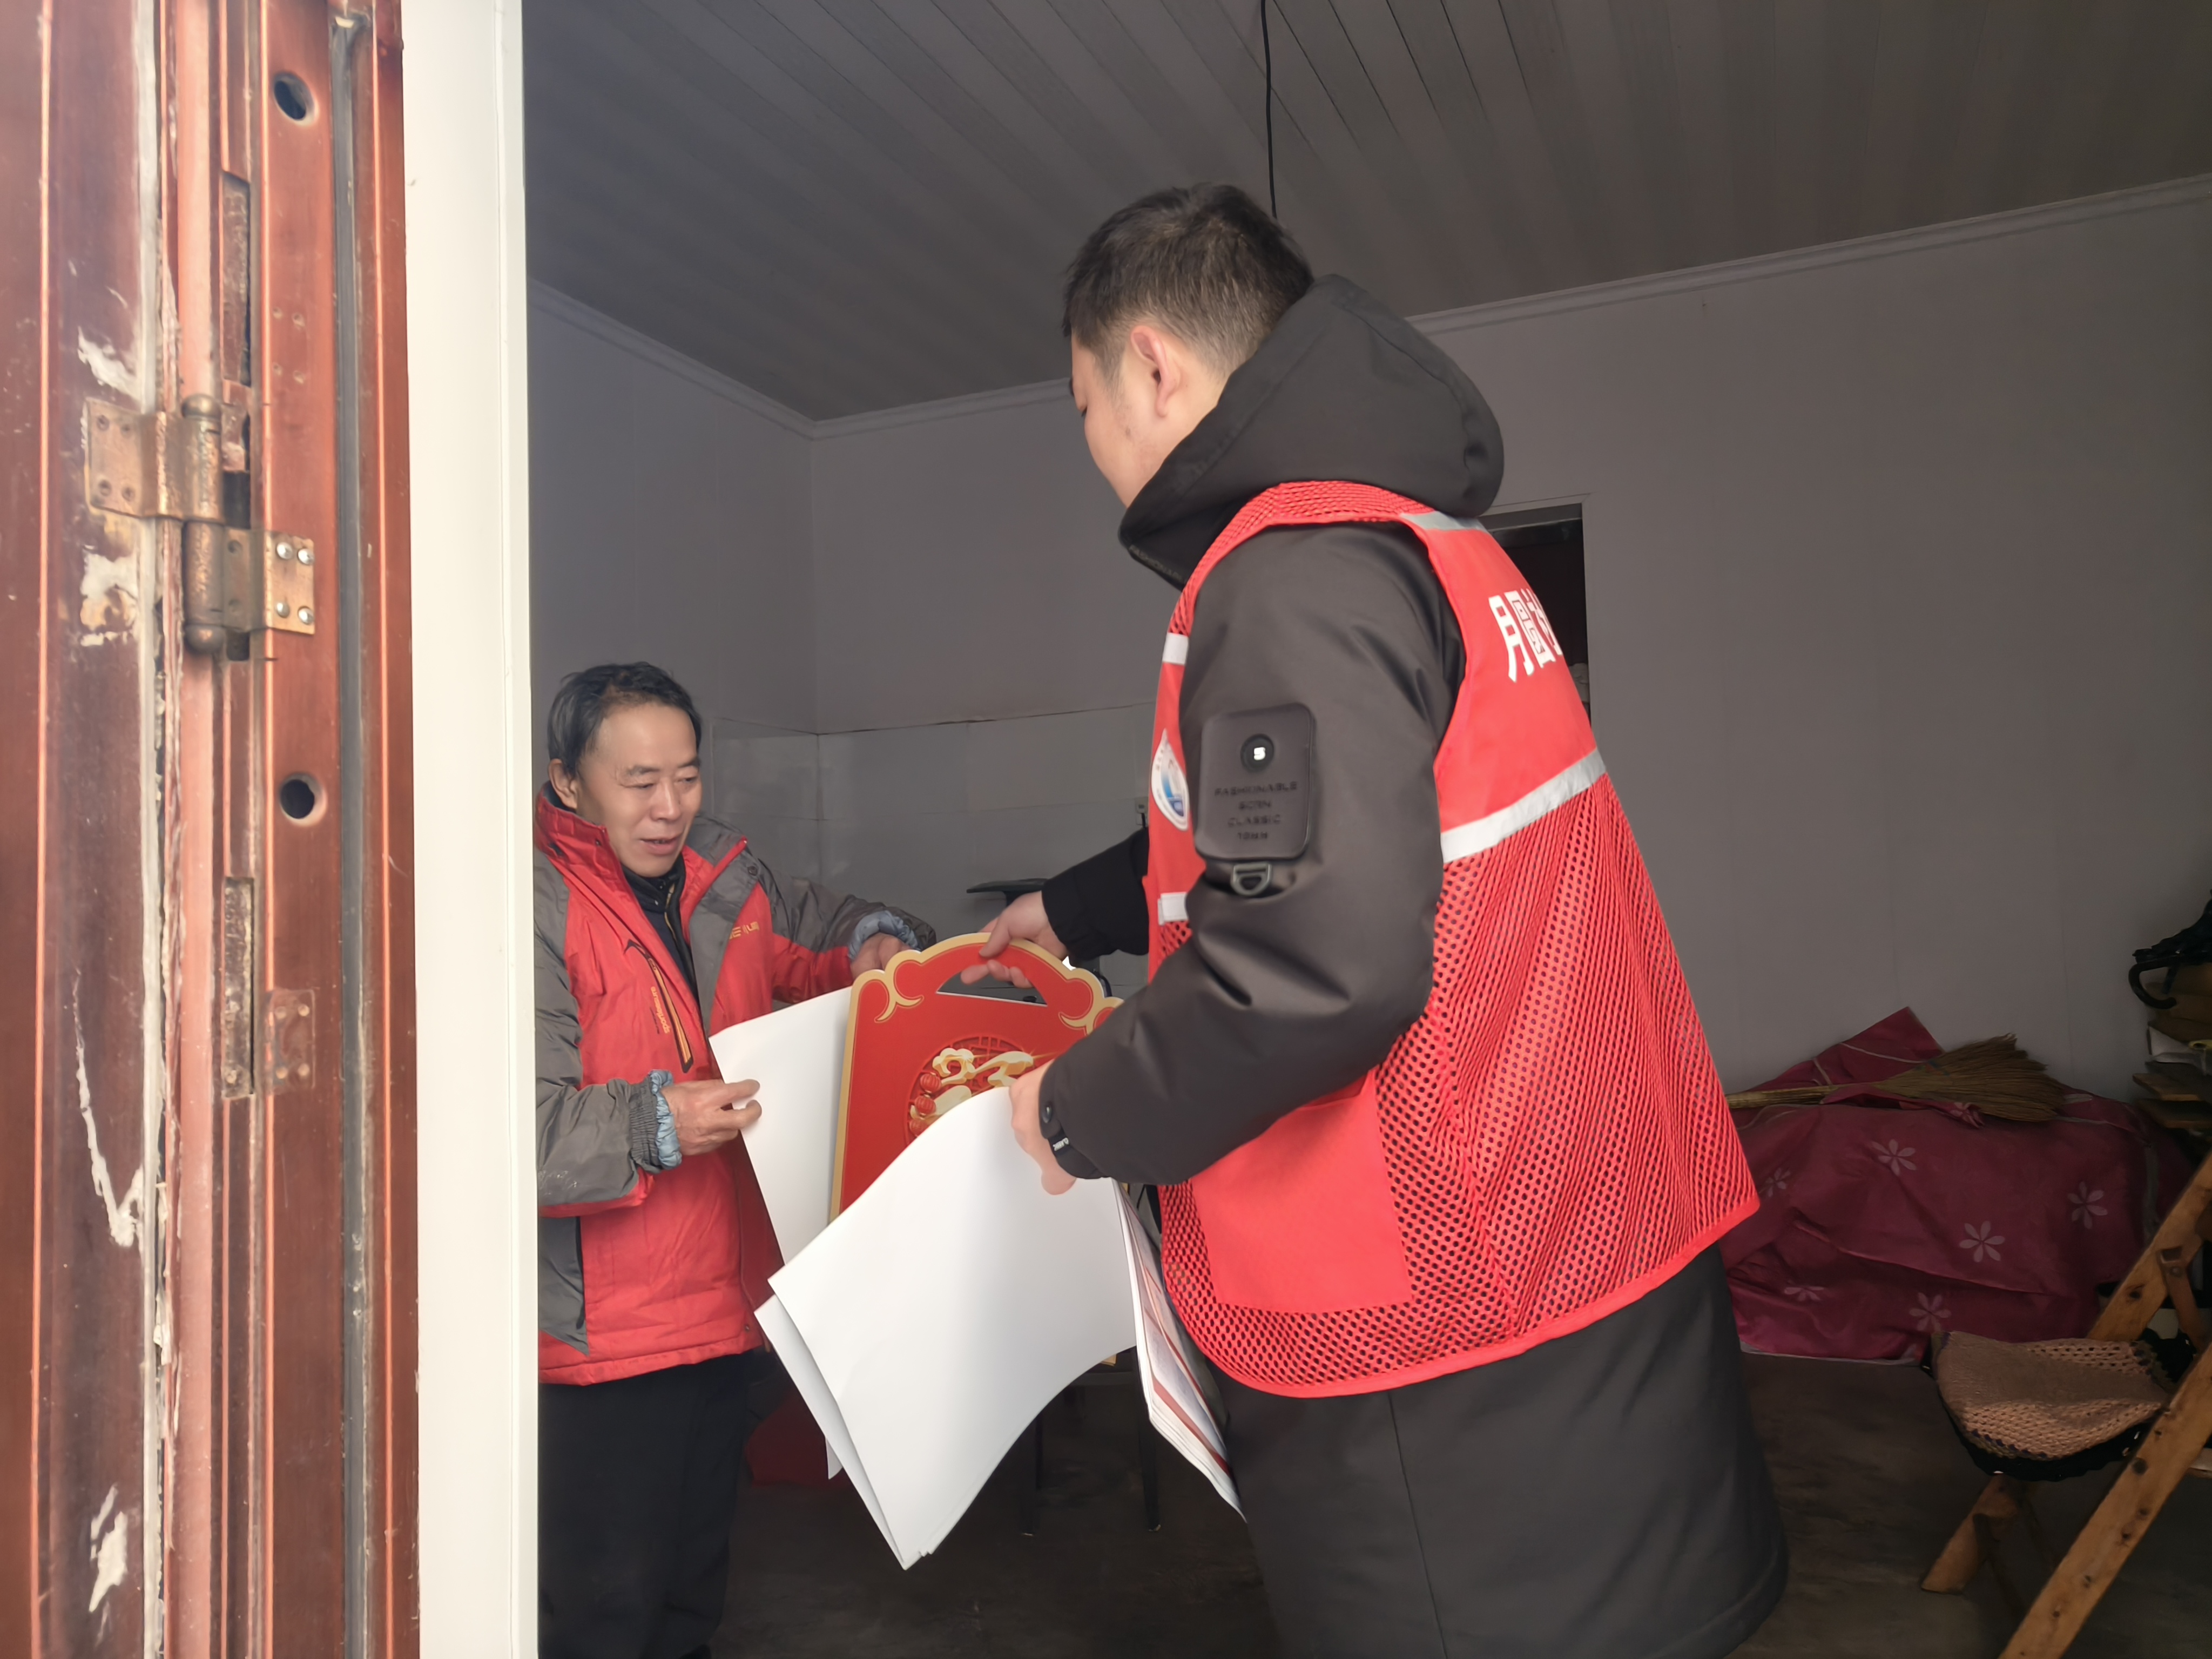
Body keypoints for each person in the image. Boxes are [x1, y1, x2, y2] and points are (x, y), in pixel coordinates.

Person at [977, 186, 1786, 1657]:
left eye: (1082, 407)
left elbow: (1312, 964)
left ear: (1150, 364)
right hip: (1579, 1239)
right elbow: (1312, 829)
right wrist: (1069, 909)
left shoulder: (1286, 577)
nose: (1093, 448)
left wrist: (1073, 1115)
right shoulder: (1428, 540)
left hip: (1442, 1327)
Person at [534, 662, 930, 1659]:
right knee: (605, 1615)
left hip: (724, 1312)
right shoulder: (529, 905)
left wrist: (881, 941)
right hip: (602, 1339)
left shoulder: (726, 875)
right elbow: (513, 1136)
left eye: (687, 777)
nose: (670, 808)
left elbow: (836, 931)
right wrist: (653, 1123)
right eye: (639, 783)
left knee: (690, 1604)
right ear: (569, 782)